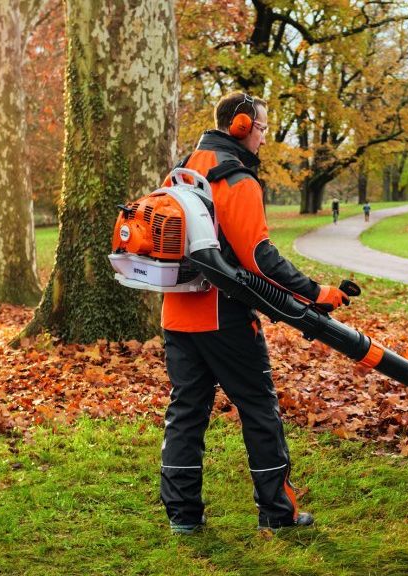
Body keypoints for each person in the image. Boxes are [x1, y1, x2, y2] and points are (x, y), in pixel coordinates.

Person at [160, 92, 350, 534]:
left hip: (176, 311)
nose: (264, 138)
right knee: (259, 409)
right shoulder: (237, 180)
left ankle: (183, 516)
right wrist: (315, 292)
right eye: (263, 128)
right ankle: (277, 514)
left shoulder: (183, 171)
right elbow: (261, 259)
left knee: (186, 412)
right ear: (242, 126)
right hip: (223, 315)